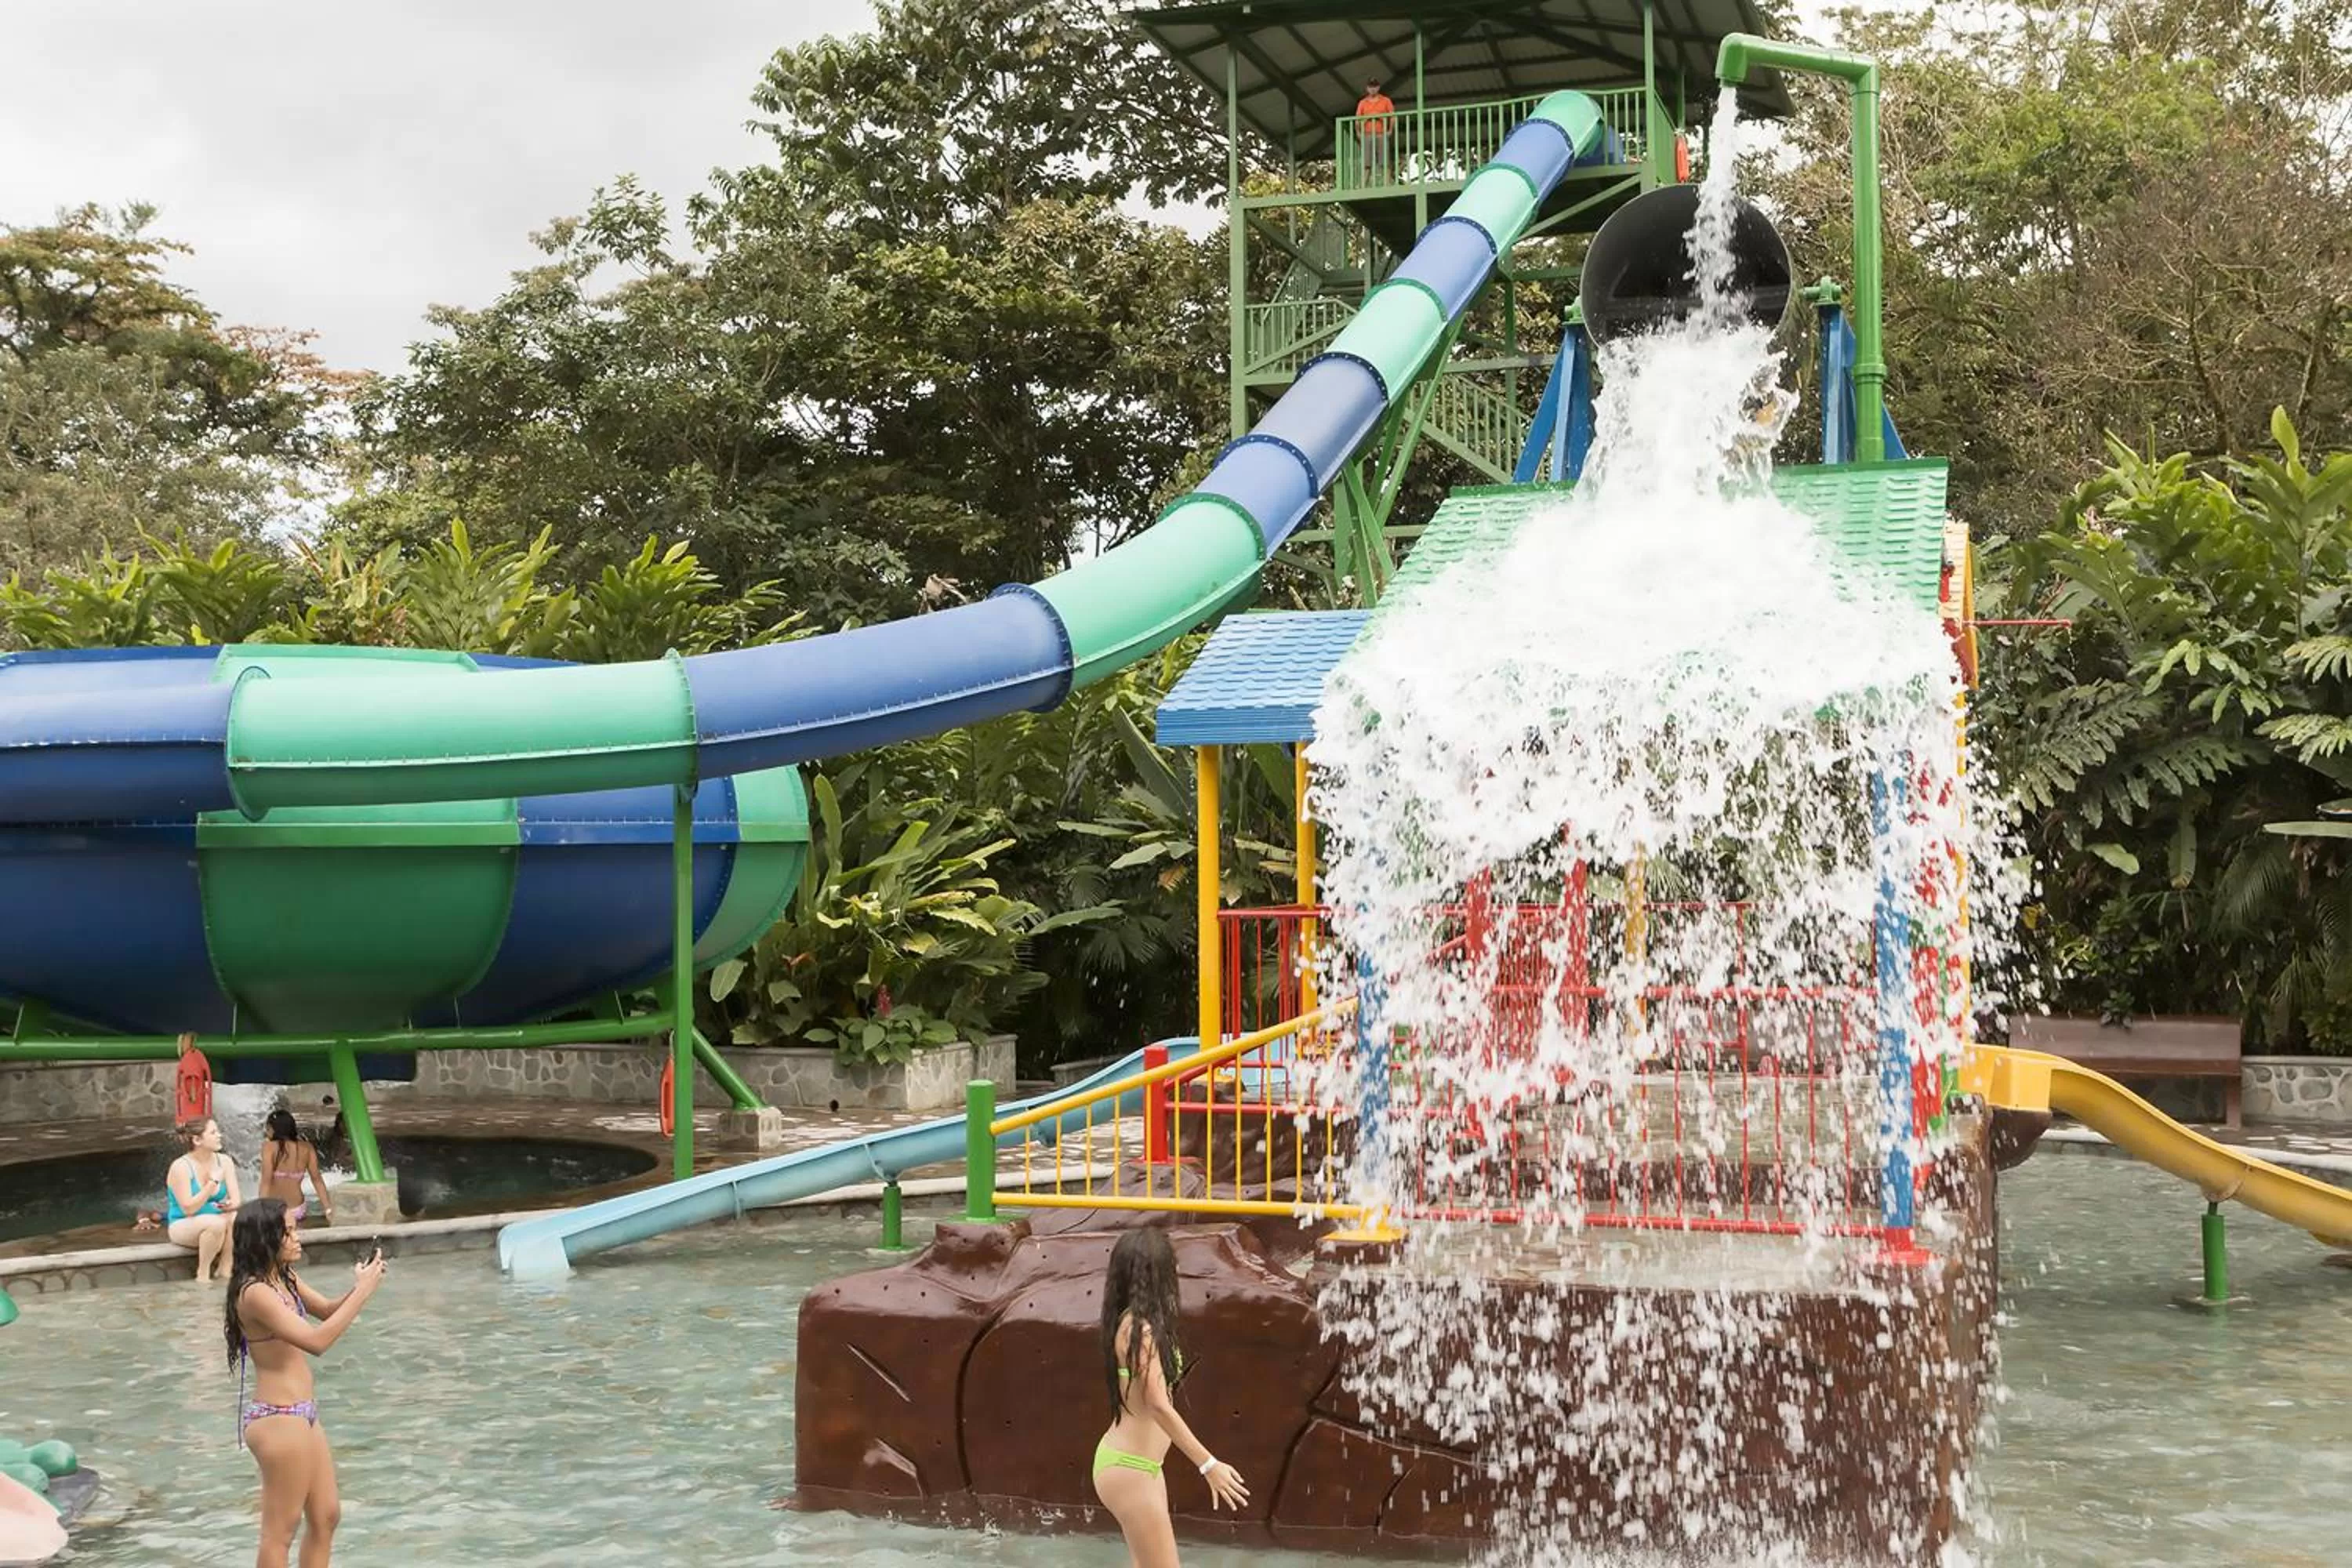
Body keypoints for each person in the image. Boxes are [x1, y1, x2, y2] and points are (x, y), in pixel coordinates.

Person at [225, 1199, 387, 1568]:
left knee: (327, 1516)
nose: (298, 1238)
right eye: (290, 1231)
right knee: (280, 1532)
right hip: (278, 1418)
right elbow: (317, 1342)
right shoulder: (254, 1293)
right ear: (266, 1238)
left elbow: (329, 1310)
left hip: (303, 1415)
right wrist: (363, 1291)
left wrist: (362, 1283)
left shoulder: (283, 1278)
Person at [1092, 1229, 1248, 1566]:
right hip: (1129, 1468)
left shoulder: (1136, 1324)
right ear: (1157, 1274)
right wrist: (1208, 1465)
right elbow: (1159, 1406)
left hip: (1143, 1467)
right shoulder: (1138, 1330)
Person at [165, 1117, 240, 1281]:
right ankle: (203, 1274)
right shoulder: (181, 1167)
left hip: (215, 1220)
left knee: (236, 1218)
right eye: (213, 1133)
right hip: (183, 1223)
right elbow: (188, 1209)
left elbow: (236, 1200)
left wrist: (228, 1205)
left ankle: (225, 1268)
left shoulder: (225, 1161)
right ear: (197, 1140)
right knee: (216, 1223)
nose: (219, 1136)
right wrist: (212, 1184)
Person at [261, 1109, 335, 1228]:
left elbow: (266, 1181)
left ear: (273, 1129)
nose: (267, 1132)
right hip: (297, 1209)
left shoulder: (269, 1147)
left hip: (273, 1210)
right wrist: (328, 1209)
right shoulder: (306, 1148)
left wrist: (260, 1209)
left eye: (268, 1129)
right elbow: (317, 1180)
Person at [1355, 77, 1395, 184]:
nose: (1373, 89)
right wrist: (1358, 132)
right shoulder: (1363, 103)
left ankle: (1387, 183)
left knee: (1384, 161)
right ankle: (1364, 184)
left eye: (1375, 87)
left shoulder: (1385, 100)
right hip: (1367, 134)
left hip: (1381, 133)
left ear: (1378, 88)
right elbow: (1357, 119)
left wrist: (1390, 130)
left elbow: (1392, 116)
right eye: (1370, 87)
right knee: (1367, 162)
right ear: (1367, 88)